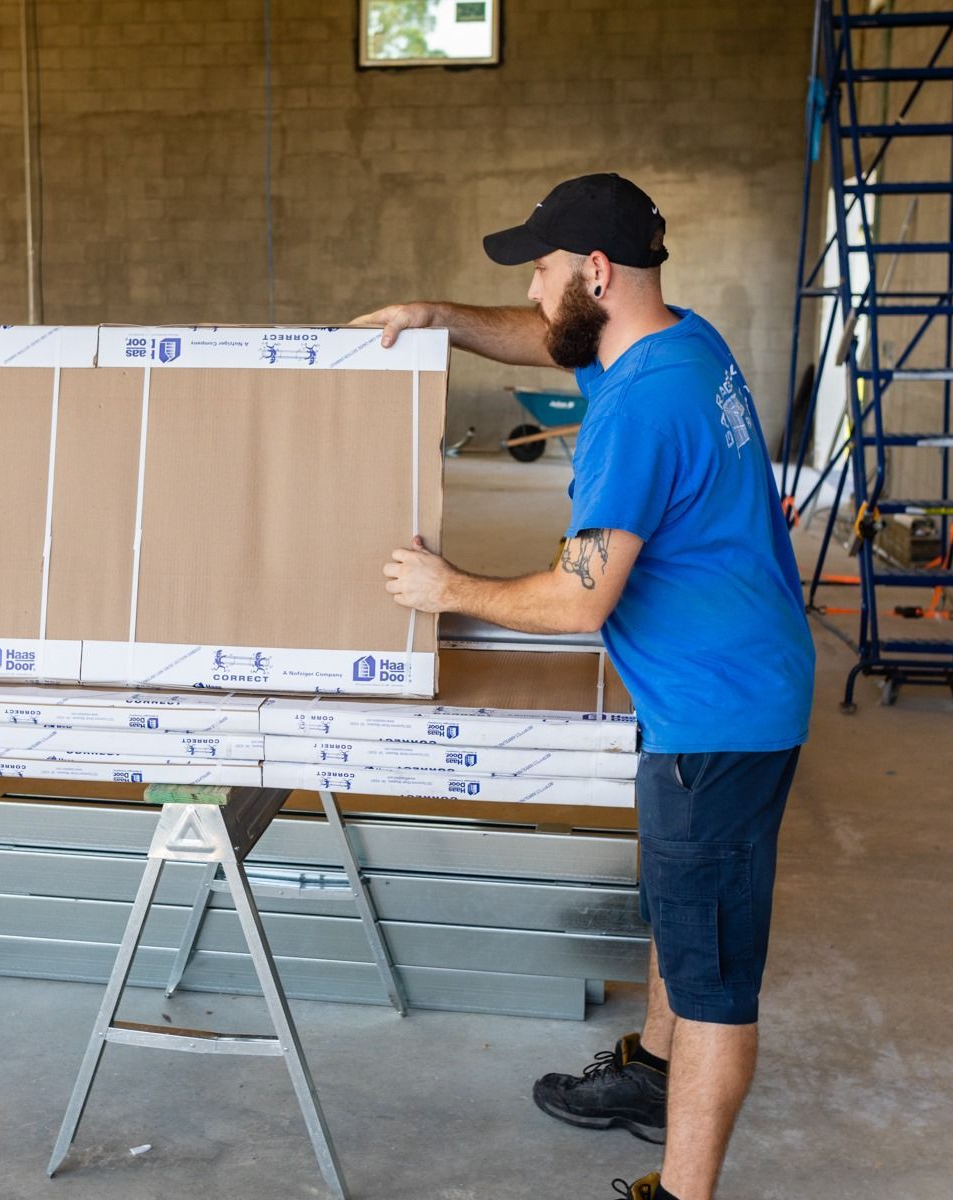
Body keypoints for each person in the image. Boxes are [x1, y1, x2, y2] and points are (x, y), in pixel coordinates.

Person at [353, 173, 815, 1200]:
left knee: (714, 989)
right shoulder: (674, 342)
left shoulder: (639, 411)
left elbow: (579, 600)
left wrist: (449, 589)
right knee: (680, 909)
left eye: (545, 272)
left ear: (595, 272)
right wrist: (438, 319)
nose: (533, 293)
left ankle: (682, 1191)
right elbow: (546, 338)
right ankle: (652, 1073)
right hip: (722, 688)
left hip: (720, 720)